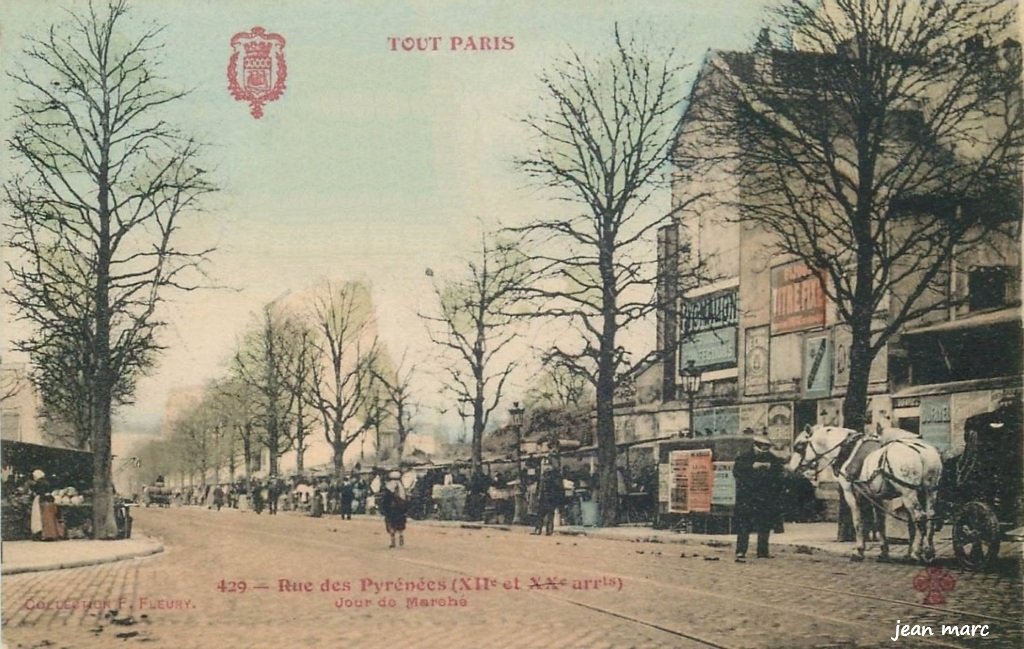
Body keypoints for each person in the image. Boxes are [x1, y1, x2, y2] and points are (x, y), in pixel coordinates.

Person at [733, 432, 785, 561]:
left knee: (764, 525)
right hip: (747, 498)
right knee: (744, 526)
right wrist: (752, 467)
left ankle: (762, 551)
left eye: (767, 447)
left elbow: (779, 471)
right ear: (756, 446)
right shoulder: (744, 458)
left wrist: (771, 466)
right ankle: (741, 551)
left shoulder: (772, 458)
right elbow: (737, 472)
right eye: (763, 447)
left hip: (765, 498)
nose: (765, 450)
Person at [379, 470, 408, 548]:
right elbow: (405, 499)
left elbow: (385, 499)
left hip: (390, 509)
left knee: (390, 524)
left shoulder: (388, 486)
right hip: (401, 509)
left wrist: (383, 509)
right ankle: (401, 535)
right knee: (400, 523)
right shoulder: (401, 486)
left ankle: (393, 541)